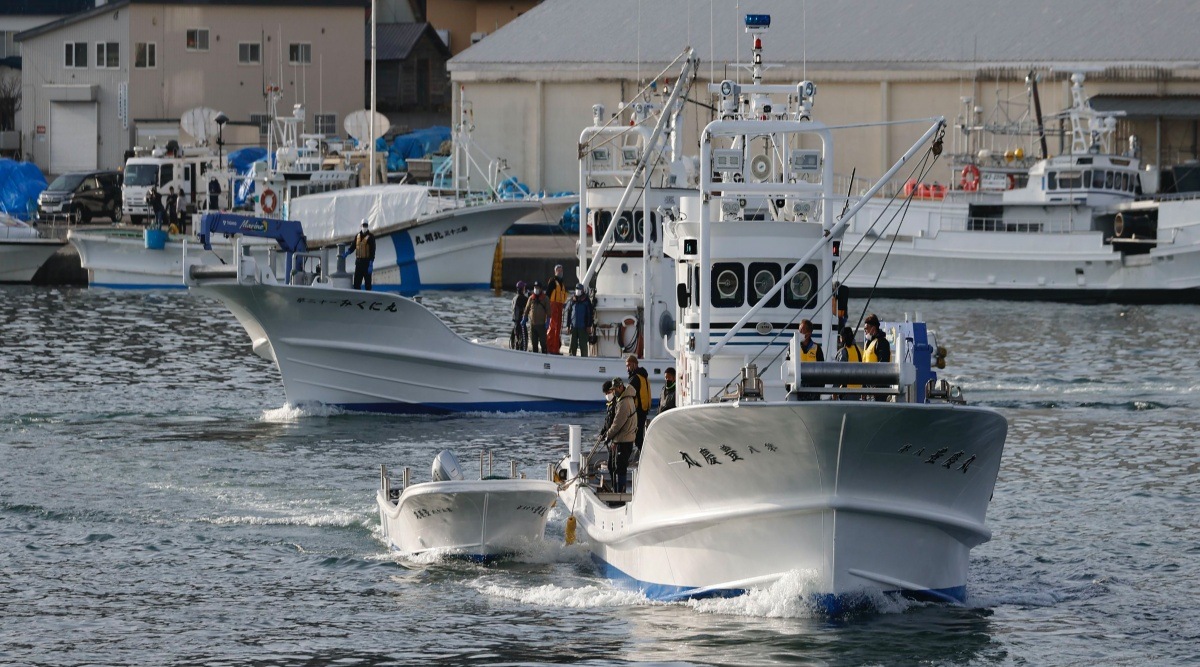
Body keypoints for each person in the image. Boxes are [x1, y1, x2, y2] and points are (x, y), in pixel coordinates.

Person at [603, 376, 637, 494]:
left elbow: (617, 423)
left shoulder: (624, 403)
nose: (613, 392)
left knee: (620, 468)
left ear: (620, 387)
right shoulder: (625, 399)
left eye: (615, 389)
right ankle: (616, 491)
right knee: (614, 467)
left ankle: (620, 494)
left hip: (623, 441)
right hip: (622, 439)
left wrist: (608, 436)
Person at [863, 313, 891, 401]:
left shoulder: (882, 343)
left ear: (873, 328)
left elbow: (883, 364)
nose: (865, 331)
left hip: (878, 388)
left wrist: (876, 387)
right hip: (869, 388)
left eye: (866, 329)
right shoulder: (869, 343)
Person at [794, 318, 825, 400]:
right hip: (797, 389)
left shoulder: (817, 348)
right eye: (799, 330)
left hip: (813, 390)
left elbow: (822, 369)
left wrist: (819, 389)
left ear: (809, 333)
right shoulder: (793, 347)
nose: (799, 332)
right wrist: (789, 387)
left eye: (802, 330)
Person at [625, 354, 650, 450]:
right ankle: (642, 452)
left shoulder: (635, 378)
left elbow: (628, 394)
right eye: (626, 366)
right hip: (643, 411)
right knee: (639, 436)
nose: (627, 368)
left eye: (629, 365)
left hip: (637, 411)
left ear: (635, 364)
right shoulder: (644, 376)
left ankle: (642, 454)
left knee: (636, 437)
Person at [546, 264, 569, 354]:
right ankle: (549, 348)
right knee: (552, 327)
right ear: (555, 272)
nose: (560, 272)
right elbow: (547, 295)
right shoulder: (552, 282)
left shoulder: (562, 283)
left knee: (558, 328)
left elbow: (564, 295)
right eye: (558, 270)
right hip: (553, 305)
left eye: (561, 270)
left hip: (560, 306)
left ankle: (555, 349)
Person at [834, 326, 863, 399]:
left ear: (843, 338)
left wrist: (834, 391)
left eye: (840, 337)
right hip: (859, 391)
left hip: (846, 392)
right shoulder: (860, 350)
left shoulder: (843, 352)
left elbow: (839, 374)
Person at [566, 284, 593, 357]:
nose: (577, 291)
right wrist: (568, 326)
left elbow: (590, 314)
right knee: (572, 345)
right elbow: (569, 313)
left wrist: (589, 326)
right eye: (576, 289)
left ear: (582, 290)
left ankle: (584, 358)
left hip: (583, 327)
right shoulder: (572, 300)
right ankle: (572, 357)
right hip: (573, 326)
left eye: (579, 289)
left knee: (583, 345)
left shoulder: (586, 301)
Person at [348, 221, 376, 290]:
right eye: (363, 225)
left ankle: (368, 295)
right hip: (359, 263)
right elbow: (353, 246)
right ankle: (357, 295)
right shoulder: (357, 236)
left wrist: (371, 262)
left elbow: (372, 250)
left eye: (366, 225)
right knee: (356, 283)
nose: (365, 227)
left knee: (368, 284)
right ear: (361, 226)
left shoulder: (371, 237)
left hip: (367, 263)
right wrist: (347, 252)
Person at [523, 282, 550, 353]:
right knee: (534, 343)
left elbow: (549, 311)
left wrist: (548, 321)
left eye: (537, 288)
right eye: (535, 287)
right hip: (533, 325)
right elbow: (527, 309)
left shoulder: (545, 299)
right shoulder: (531, 298)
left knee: (543, 343)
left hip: (541, 325)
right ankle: (535, 354)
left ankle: (544, 354)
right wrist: (524, 318)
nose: (536, 289)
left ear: (541, 289)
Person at [511, 280, 529, 351]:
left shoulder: (514, 298)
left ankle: (516, 349)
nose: (525, 289)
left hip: (515, 323)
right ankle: (522, 352)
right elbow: (529, 303)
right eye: (524, 288)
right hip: (521, 322)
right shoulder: (522, 298)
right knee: (524, 340)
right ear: (522, 289)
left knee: (516, 339)